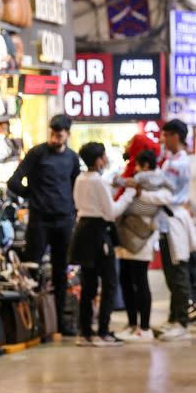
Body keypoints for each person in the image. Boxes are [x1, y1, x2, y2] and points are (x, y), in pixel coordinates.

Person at [9, 114, 81, 335]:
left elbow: (77, 186)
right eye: (52, 134)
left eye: (59, 135)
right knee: (31, 268)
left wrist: (75, 211)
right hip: (40, 220)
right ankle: (31, 323)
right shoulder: (37, 153)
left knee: (61, 272)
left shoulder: (72, 158)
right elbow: (14, 182)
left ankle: (60, 322)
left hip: (64, 220)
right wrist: (31, 195)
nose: (55, 138)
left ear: (67, 135)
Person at [69, 142, 136, 347]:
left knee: (88, 285)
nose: (106, 159)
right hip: (99, 233)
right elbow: (111, 212)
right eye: (104, 156)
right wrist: (129, 194)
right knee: (109, 283)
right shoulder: (98, 181)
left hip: (82, 231)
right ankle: (104, 332)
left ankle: (86, 331)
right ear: (99, 160)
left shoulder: (81, 178)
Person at [148, 119, 196, 342]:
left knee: (177, 272)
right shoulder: (171, 160)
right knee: (171, 273)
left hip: (173, 221)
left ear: (175, 136)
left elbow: (162, 192)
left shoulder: (177, 163)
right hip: (167, 221)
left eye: (166, 135)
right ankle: (174, 319)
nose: (163, 140)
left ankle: (181, 321)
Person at [115, 149, 168, 343]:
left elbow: (124, 199)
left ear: (145, 165)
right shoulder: (162, 181)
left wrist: (138, 192)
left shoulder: (138, 180)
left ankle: (141, 327)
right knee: (133, 280)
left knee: (134, 281)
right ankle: (135, 325)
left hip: (135, 235)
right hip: (140, 235)